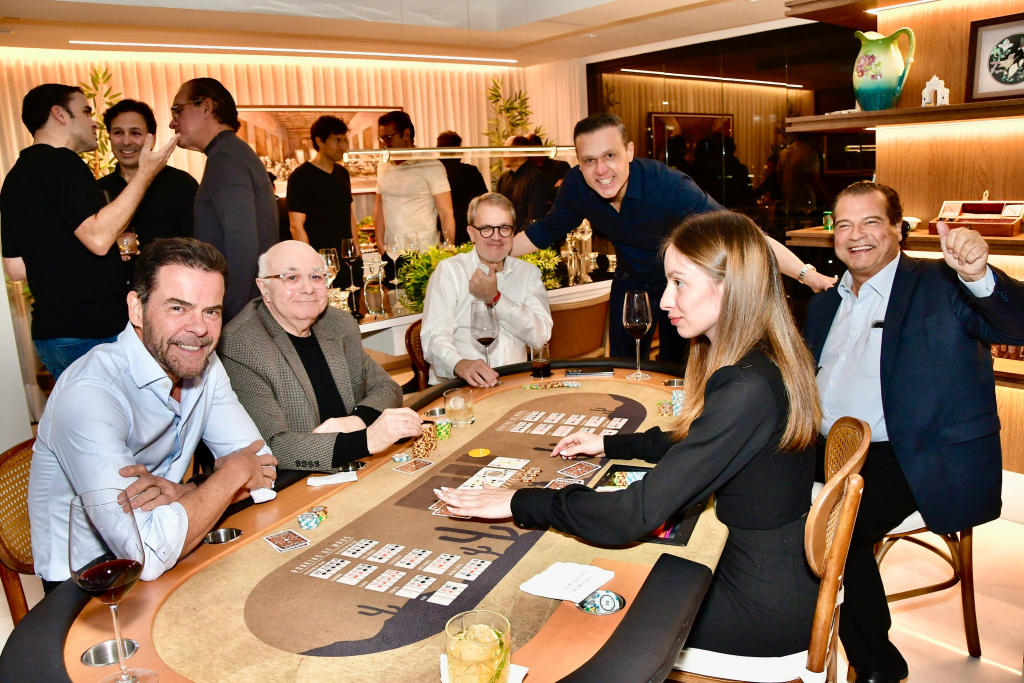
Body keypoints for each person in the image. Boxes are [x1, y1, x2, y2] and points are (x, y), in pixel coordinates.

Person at [436, 211, 822, 675]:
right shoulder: (760, 360)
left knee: (568, 628)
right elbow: (700, 441)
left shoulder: (745, 387)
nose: (664, 301)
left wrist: (522, 500)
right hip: (774, 575)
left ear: (730, 285)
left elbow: (631, 516)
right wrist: (611, 444)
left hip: (759, 610)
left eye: (680, 283)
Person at [804, 182, 1024, 683]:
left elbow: (1018, 326)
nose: (855, 235)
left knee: (842, 533)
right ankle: (787, 632)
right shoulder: (824, 302)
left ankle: (878, 668)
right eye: (843, 224)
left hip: (905, 453)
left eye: (870, 222)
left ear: (898, 230)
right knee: (756, 502)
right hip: (823, 446)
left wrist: (979, 276)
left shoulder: (941, 283)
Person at [28, 238, 278, 591]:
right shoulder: (90, 392)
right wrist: (233, 472)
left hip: (180, 546)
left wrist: (181, 492)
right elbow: (145, 552)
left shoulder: (202, 362)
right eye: (178, 308)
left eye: (212, 311)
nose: (200, 329)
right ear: (136, 309)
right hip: (90, 582)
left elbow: (264, 470)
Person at [511, 113, 835, 366]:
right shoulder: (577, 186)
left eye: (609, 155)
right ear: (579, 162)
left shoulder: (669, 187)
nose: (600, 170)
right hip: (630, 286)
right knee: (625, 366)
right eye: (589, 160)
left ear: (629, 151)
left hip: (675, 288)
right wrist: (492, 251)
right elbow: (546, 230)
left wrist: (808, 275)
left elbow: (743, 236)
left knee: (675, 369)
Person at [0, 83, 177, 379]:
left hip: (51, 335)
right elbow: (98, 238)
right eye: (84, 111)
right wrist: (146, 173)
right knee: (125, 423)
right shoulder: (62, 162)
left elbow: (15, 268)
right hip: (91, 332)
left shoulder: (15, 177)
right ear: (59, 114)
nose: (93, 122)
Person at [218, 240, 419, 471]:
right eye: (291, 278)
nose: (308, 288)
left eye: (316, 277)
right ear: (264, 288)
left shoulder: (338, 323)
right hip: (295, 482)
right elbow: (271, 446)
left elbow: (387, 387)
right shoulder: (240, 344)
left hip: (359, 467)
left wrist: (356, 422)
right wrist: (365, 440)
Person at [170, 77, 278, 320]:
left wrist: (224, 315)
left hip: (241, 313)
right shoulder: (232, 152)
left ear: (207, 107)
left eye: (177, 110)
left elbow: (243, 247)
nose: (171, 122)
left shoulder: (225, 159)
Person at [421, 193, 552, 387]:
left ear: (513, 232)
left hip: (515, 385)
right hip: (461, 386)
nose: (496, 237)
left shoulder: (528, 274)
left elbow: (540, 337)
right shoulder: (450, 271)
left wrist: (496, 298)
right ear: (471, 233)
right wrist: (460, 364)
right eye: (486, 229)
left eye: (504, 228)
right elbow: (434, 337)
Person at [98, 99, 199, 284]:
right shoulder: (98, 189)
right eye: (118, 133)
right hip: (113, 298)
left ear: (150, 138)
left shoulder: (181, 184)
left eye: (135, 133)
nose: (126, 141)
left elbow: (198, 247)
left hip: (170, 294)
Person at [373, 111, 455, 251]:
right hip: (392, 252)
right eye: (381, 139)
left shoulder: (430, 165)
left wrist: (447, 249)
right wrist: (380, 243)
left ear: (406, 134)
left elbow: (446, 213)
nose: (384, 145)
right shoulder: (383, 165)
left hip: (423, 253)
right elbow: (379, 206)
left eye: (388, 138)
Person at [286, 115, 357, 260]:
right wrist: (311, 264)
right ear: (319, 141)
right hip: (319, 262)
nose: (343, 146)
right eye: (337, 140)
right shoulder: (300, 177)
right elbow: (296, 226)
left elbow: (349, 216)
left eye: (345, 140)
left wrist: (357, 254)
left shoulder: (343, 173)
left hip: (347, 260)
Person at [437, 130, 487, 245]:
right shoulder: (470, 172)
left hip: (441, 230)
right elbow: (483, 203)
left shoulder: (433, 172)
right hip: (466, 230)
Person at [496, 136, 552, 230]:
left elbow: (535, 217)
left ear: (520, 151)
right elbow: (497, 211)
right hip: (505, 237)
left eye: (506, 150)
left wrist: (517, 239)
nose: (503, 155)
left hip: (528, 239)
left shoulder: (536, 178)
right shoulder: (503, 179)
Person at [527, 133, 570, 212]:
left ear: (537, 148)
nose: (524, 154)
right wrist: (551, 191)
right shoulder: (527, 173)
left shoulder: (561, 166)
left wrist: (537, 195)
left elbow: (565, 193)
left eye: (526, 150)